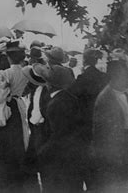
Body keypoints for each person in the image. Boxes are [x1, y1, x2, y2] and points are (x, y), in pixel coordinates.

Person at [35, 64, 84, 192]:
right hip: (73, 156)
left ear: (50, 85)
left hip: (59, 161)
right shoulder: (70, 98)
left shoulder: (55, 104)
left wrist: (41, 153)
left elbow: (58, 136)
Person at [0, 41, 29, 192]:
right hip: (19, 104)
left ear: (10, 58)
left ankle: (7, 172)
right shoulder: (26, 71)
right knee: (18, 135)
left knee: (6, 138)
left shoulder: (6, 73)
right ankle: (18, 171)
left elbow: (0, 92)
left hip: (8, 105)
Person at [68, 48, 108, 189]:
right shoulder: (106, 78)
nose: (106, 62)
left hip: (85, 127)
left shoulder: (82, 78)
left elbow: (71, 98)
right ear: (97, 60)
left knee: (88, 165)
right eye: (104, 59)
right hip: (103, 126)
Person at [93, 51, 128, 190]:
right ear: (115, 77)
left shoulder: (125, 93)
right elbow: (102, 134)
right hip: (115, 154)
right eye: (125, 76)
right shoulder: (105, 99)